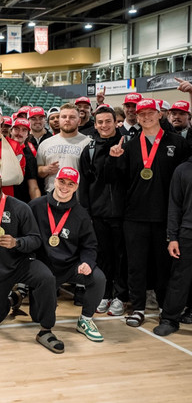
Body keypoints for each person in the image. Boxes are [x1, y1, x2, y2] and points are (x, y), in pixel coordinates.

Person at [108, 98, 191, 327]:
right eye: (141, 113)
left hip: (166, 216)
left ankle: (166, 306)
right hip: (134, 216)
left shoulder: (177, 143)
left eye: (150, 113)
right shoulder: (129, 144)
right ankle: (138, 308)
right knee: (136, 264)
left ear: (159, 114)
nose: (145, 117)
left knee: (165, 265)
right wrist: (114, 160)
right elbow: (118, 180)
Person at [0, 165, 63, 353]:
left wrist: (16, 243)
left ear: (1, 182)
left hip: (21, 264)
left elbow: (35, 239)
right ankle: (13, 298)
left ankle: (46, 329)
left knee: (46, 278)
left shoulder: (20, 207)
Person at [29, 167, 106, 342]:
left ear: (76, 187)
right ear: (55, 181)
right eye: (62, 181)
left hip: (70, 266)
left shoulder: (81, 215)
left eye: (70, 184)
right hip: (44, 269)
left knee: (98, 278)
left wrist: (87, 262)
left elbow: (90, 245)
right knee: (37, 317)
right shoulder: (35, 206)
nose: (65, 187)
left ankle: (85, 320)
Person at [78, 104, 128, 316]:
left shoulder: (130, 145)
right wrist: (87, 214)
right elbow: (85, 185)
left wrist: (116, 160)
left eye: (109, 121)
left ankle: (121, 296)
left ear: (116, 122)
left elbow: (128, 178)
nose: (104, 125)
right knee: (102, 256)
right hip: (98, 214)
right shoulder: (89, 149)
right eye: (100, 122)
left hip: (124, 213)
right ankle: (105, 294)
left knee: (122, 257)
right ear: (95, 125)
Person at [154, 151, 192, 336]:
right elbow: (174, 206)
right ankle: (169, 318)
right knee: (180, 278)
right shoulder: (183, 170)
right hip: (188, 232)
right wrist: (173, 237)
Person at [36, 103, 91, 194]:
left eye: (72, 117)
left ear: (79, 121)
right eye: (64, 117)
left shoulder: (88, 143)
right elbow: (37, 171)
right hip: (51, 195)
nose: (67, 120)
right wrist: (45, 169)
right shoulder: (45, 144)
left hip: (78, 196)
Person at [10, 118, 42, 203]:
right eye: (16, 129)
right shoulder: (1, 149)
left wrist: (37, 207)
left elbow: (33, 186)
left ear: (28, 134)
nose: (19, 133)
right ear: (11, 131)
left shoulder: (29, 156)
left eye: (24, 130)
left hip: (20, 202)